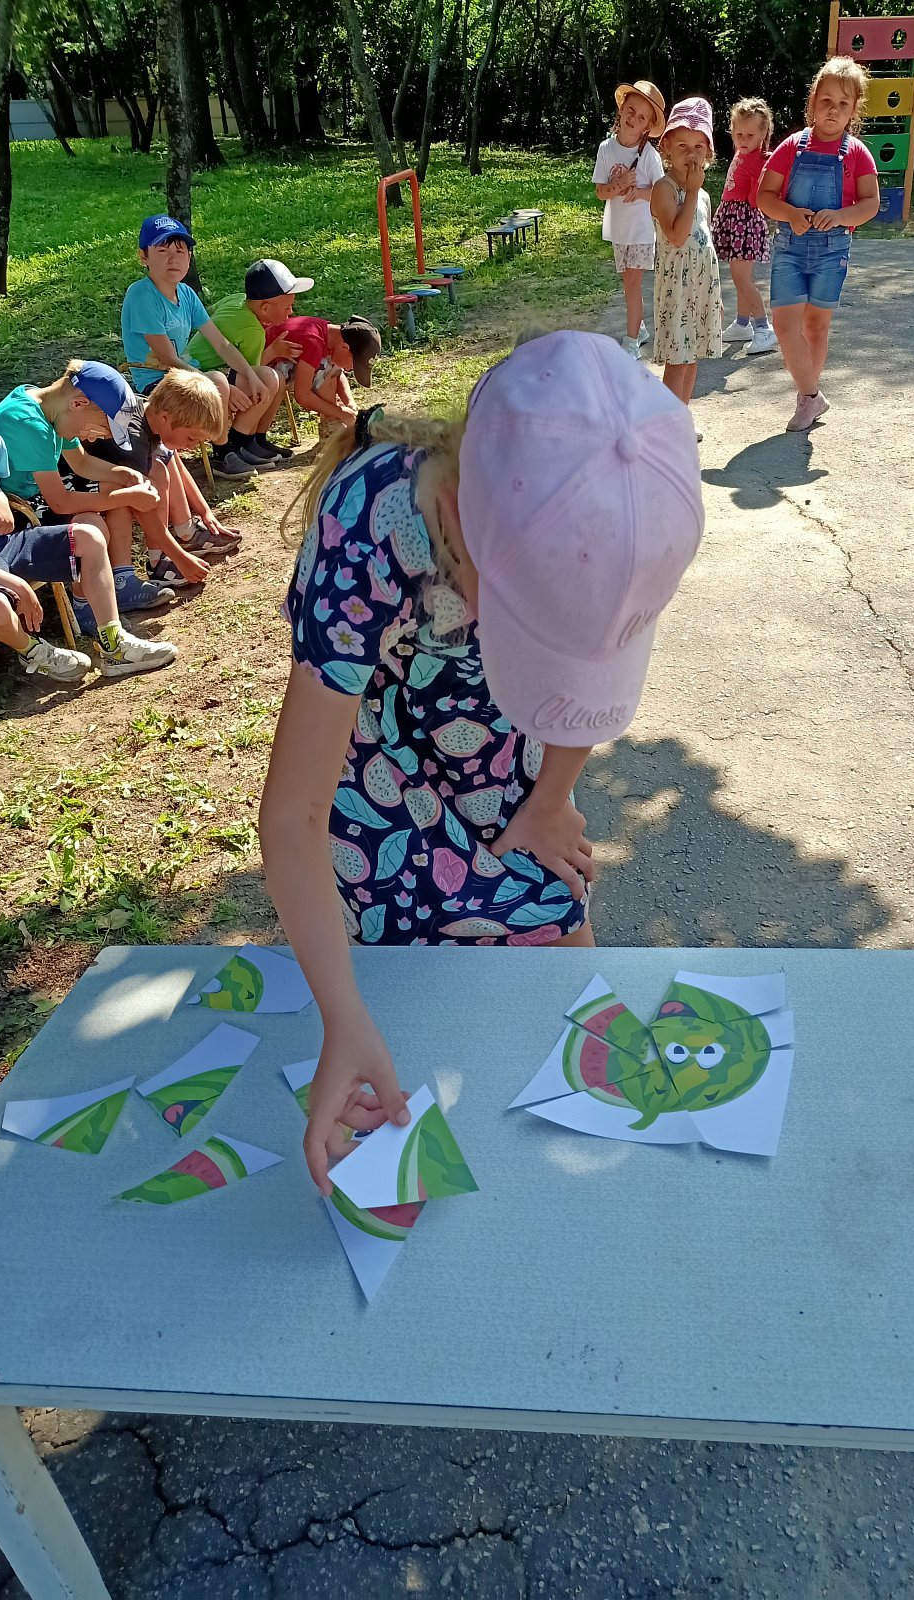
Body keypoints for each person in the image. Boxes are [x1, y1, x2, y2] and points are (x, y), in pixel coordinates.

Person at [258, 330, 703, 1192]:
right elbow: (294, 811)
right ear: (463, 521)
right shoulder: (368, 525)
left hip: (504, 769)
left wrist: (551, 800)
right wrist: (342, 1018)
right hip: (379, 785)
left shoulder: (616, 524)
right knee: (408, 994)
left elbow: (582, 685)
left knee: (562, 950)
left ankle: (567, 1193)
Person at [0, 396, 177, 681]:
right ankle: (33, 651)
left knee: (89, 536)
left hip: (3, 542)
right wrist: (17, 585)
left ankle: (115, 645)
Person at [756, 58, 880, 432]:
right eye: (826, 100)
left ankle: (805, 400)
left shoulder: (857, 153)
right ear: (813, 101)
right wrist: (790, 213)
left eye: (843, 104)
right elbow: (764, 196)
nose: (833, 110)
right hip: (790, 248)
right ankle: (812, 395)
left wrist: (841, 216)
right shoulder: (791, 147)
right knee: (784, 326)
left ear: (854, 109)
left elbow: (870, 204)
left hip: (832, 251)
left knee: (816, 327)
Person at [120, 214, 272, 479]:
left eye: (180, 252)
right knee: (217, 381)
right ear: (144, 256)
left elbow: (221, 344)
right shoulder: (141, 294)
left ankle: (241, 443)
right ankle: (223, 454)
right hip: (156, 382)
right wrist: (212, 383)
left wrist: (249, 374)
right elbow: (167, 358)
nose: (173, 259)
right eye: (163, 251)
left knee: (265, 377)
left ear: (189, 258)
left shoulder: (187, 294)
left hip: (184, 374)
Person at [77, 366, 229, 592]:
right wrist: (180, 557)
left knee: (158, 469)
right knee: (146, 482)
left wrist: (205, 511)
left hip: (103, 478)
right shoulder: (132, 440)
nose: (192, 446)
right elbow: (142, 507)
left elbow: (173, 461)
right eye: (191, 438)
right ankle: (130, 575)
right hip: (78, 483)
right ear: (166, 418)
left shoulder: (148, 412)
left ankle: (163, 554)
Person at [186, 258, 315, 471]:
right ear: (265, 308)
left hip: (203, 367)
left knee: (276, 378)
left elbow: (210, 313)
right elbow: (254, 374)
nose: (290, 312)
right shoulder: (252, 330)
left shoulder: (238, 300)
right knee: (268, 381)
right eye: (287, 307)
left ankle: (257, 440)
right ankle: (239, 443)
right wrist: (273, 351)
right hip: (202, 376)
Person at [650, 96, 723, 417]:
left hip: (701, 289)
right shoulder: (664, 189)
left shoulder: (703, 195)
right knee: (677, 360)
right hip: (676, 291)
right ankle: (667, 426)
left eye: (698, 147)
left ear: (708, 153)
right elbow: (677, 237)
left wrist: (715, 295)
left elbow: (705, 243)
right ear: (666, 146)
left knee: (693, 358)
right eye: (682, 146)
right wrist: (691, 191)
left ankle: (681, 417)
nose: (690, 155)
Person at [591, 80, 667, 360]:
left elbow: (663, 192)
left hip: (640, 232)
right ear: (622, 108)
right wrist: (621, 184)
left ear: (647, 127)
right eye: (631, 110)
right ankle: (641, 328)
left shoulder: (649, 156)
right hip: (619, 230)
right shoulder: (606, 149)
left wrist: (641, 193)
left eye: (642, 117)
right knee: (628, 286)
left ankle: (632, 341)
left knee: (633, 286)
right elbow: (600, 192)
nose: (634, 118)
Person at [713, 97, 778, 355]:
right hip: (733, 219)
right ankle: (742, 324)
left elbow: (755, 199)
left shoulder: (759, 160)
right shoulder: (743, 152)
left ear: (763, 133)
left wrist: (758, 178)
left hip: (744, 222)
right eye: (738, 133)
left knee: (741, 278)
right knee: (740, 277)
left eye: (750, 135)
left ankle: (764, 327)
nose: (743, 139)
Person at [264, 312, 382, 433]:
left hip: (283, 366)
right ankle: (332, 428)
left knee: (328, 366)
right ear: (344, 347)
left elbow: (338, 374)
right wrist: (340, 413)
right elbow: (303, 396)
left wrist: (350, 403)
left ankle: (332, 425)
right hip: (265, 368)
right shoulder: (314, 342)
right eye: (353, 365)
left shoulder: (329, 335)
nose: (349, 369)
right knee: (324, 367)